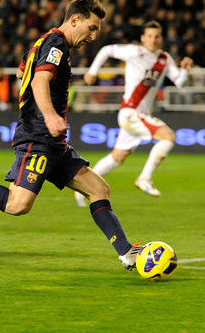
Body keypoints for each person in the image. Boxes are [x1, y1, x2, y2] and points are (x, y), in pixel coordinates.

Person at [0, 0, 143, 271]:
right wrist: (48, 115)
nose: (93, 36)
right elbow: (39, 79)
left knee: (98, 188)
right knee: (17, 204)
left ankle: (126, 252)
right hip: (39, 137)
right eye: (91, 28)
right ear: (74, 20)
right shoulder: (56, 43)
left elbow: (24, 71)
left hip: (53, 142)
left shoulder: (43, 42)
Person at [74, 20, 194, 203]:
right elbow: (106, 50)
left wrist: (185, 70)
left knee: (117, 157)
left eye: (157, 36)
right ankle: (144, 178)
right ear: (143, 38)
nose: (153, 40)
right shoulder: (135, 52)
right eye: (150, 36)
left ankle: (81, 187)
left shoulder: (165, 59)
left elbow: (180, 83)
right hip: (131, 112)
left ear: (161, 38)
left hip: (138, 115)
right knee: (168, 137)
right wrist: (92, 72)